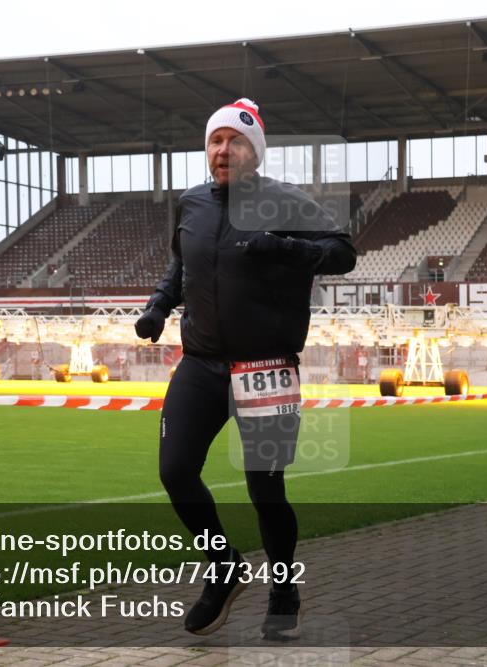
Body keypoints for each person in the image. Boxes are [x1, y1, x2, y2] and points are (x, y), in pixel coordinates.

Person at [135, 98, 356, 639]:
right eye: (215, 140)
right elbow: (181, 262)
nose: (222, 149)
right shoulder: (192, 204)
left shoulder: (287, 203)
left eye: (235, 141)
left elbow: (344, 254)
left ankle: (284, 589)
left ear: (253, 151)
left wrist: (282, 248)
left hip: (267, 367)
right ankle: (224, 567)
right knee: (175, 471)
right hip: (201, 363)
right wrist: (159, 307)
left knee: (266, 490)